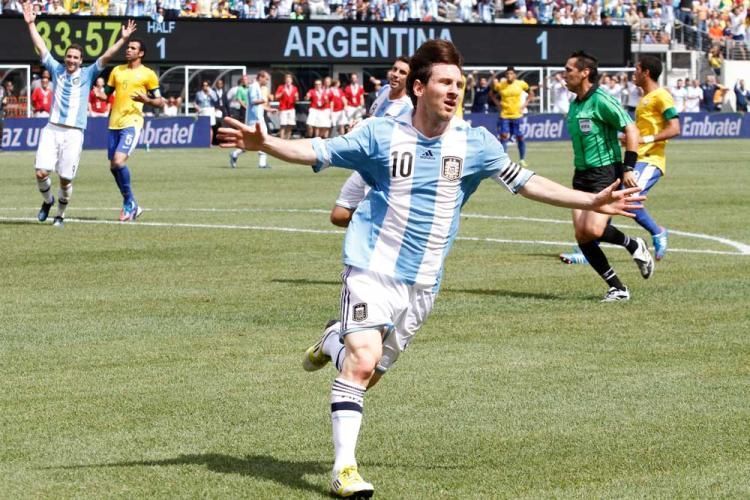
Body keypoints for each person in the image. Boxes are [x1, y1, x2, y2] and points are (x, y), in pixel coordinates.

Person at [217, 39, 644, 498]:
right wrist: (268, 144)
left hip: (424, 282)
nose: (454, 90)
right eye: (444, 82)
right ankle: (344, 469)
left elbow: (525, 182)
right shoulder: (380, 133)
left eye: (459, 83)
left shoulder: (475, 142)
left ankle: (329, 341)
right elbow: (317, 150)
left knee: (372, 370)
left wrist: (592, 200)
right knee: (362, 363)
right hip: (371, 267)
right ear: (419, 88)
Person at [23, 2, 135, 227]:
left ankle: (60, 215)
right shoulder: (56, 70)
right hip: (52, 128)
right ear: (65, 58)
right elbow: (41, 45)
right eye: (69, 56)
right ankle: (47, 202)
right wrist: (31, 24)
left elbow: (106, 55)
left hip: (74, 133)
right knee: (40, 173)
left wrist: (123, 40)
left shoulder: (88, 73)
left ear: (81, 61)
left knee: (66, 179)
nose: (71, 60)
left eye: (75, 57)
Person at [561, 55, 680, 264]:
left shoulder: (662, 96)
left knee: (625, 202)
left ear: (646, 72)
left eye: (636, 70)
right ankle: (588, 247)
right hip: (635, 155)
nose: (633, 74)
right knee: (608, 201)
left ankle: (657, 231)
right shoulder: (643, 98)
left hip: (650, 159)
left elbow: (675, 128)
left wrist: (644, 139)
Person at [557, 50, 654, 301]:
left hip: (605, 173)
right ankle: (618, 287)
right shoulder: (575, 103)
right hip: (581, 175)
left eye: (568, 70)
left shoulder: (602, 99)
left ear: (584, 72)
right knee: (581, 235)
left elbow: (631, 130)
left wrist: (629, 167)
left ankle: (634, 245)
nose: (564, 75)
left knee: (594, 229)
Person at [330, 58, 413, 228]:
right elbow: (372, 120)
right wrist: (359, 125)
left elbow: (389, 137)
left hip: (382, 169)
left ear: (410, 79)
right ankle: (384, 226)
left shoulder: (407, 107)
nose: (396, 75)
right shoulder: (383, 91)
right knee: (339, 216)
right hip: (365, 165)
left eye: (402, 72)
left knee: (373, 217)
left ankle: (384, 232)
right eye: (394, 69)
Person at [105, 36, 164, 221]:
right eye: (128, 47)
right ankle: (132, 204)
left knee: (118, 161)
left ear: (141, 53)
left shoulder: (148, 74)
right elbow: (105, 94)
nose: (128, 50)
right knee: (114, 166)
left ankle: (129, 203)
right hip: (113, 123)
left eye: (132, 48)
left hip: (132, 123)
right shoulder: (117, 71)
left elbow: (160, 102)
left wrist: (147, 100)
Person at [492, 66, 534, 166]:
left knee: (520, 137)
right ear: (505, 75)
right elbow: (492, 94)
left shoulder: (521, 84)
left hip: (517, 115)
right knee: (504, 136)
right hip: (504, 115)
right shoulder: (501, 85)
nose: (509, 75)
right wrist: (497, 104)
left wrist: (525, 105)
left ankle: (522, 159)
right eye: (507, 74)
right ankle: (503, 160)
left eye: (511, 73)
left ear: (515, 75)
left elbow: (531, 93)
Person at [229, 70, 270, 169]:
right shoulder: (253, 87)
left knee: (257, 141)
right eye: (266, 79)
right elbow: (252, 101)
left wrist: (269, 108)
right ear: (260, 77)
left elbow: (258, 106)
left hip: (258, 119)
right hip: (253, 120)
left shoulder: (258, 87)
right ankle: (261, 163)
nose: (267, 81)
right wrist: (263, 100)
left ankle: (235, 154)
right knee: (257, 141)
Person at [274, 73, 299, 140]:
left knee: (290, 124)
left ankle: (287, 140)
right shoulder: (281, 87)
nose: (288, 81)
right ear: (285, 80)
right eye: (287, 80)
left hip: (291, 108)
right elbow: (276, 97)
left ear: (292, 81)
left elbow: (297, 99)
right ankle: (282, 140)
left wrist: (296, 98)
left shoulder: (294, 88)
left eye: (289, 80)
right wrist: (282, 93)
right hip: (283, 108)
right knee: (283, 125)